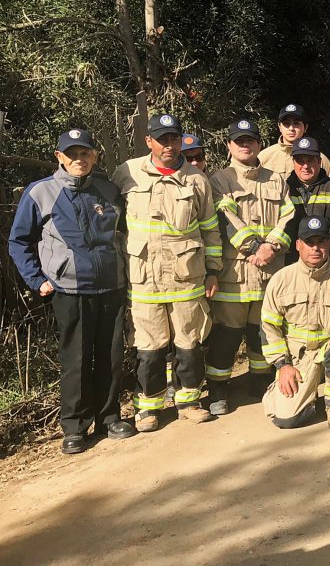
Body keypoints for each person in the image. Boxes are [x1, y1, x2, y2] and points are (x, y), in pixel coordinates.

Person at [8, 128, 137, 453]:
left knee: (110, 356)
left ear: (95, 156)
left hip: (111, 287)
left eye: (86, 153)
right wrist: (37, 280)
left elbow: (127, 235)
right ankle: (75, 427)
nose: (80, 159)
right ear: (59, 157)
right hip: (69, 289)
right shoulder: (40, 193)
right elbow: (18, 241)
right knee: (76, 359)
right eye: (73, 153)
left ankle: (109, 417)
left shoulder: (109, 191)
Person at [111, 113, 221, 431]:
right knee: (149, 345)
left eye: (173, 138)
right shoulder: (127, 173)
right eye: (162, 139)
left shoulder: (196, 180)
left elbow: (211, 230)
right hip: (143, 278)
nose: (169, 145)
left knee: (189, 343)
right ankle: (149, 407)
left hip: (187, 277)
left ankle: (189, 401)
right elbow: (111, 223)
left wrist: (213, 270)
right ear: (149, 142)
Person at [204, 119, 294, 414]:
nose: (245, 145)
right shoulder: (220, 180)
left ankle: (259, 380)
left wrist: (272, 246)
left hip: (270, 271)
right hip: (236, 273)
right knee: (227, 334)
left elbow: (288, 215)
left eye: (250, 140)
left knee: (263, 329)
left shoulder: (276, 179)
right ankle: (218, 388)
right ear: (229, 145)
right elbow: (226, 219)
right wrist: (256, 247)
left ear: (258, 144)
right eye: (239, 141)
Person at [260, 215, 330, 430]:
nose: (315, 248)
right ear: (298, 245)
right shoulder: (281, 279)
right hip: (299, 357)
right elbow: (268, 328)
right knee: (287, 420)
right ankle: (303, 396)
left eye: (321, 242)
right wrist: (283, 366)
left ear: (329, 244)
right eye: (309, 242)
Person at [284, 136, 330, 266]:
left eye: (310, 160)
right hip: (292, 266)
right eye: (300, 161)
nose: (305, 166)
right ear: (293, 162)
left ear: (319, 161)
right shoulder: (284, 189)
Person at [258, 103, 330, 175]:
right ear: (279, 127)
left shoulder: (319, 159)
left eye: (296, 123)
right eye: (286, 124)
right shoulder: (264, 157)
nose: (291, 128)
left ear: (305, 127)